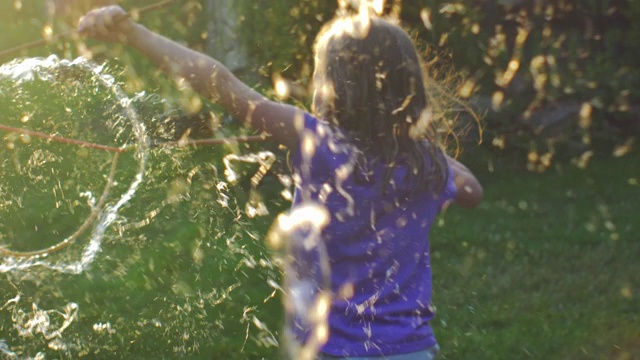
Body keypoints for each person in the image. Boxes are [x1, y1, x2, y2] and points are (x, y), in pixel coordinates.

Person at [78, 5, 483, 359]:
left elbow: (221, 84)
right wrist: (407, 137)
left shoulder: (319, 142)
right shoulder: (428, 166)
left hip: (332, 351)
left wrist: (136, 34)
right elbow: (471, 192)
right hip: (411, 350)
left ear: (336, 90)